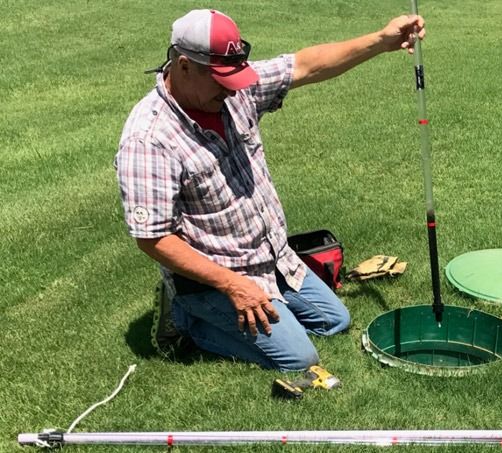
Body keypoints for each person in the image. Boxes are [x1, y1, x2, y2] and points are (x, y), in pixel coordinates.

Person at [116, 9, 426, 371]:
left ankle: (258, 308)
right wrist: (232, 286)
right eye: (219, 79)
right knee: (299, 358)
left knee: (334, 322)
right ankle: (186, 318)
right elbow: (153, 238)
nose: (231, 89)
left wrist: (380, 41)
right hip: (219, 277)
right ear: (184, 66)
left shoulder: (232, 89)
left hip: (274, 258)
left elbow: (306, 65)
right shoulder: (148, 141)